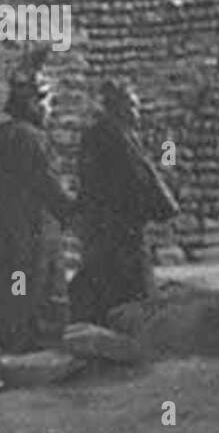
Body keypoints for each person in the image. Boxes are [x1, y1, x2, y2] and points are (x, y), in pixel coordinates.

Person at [0, 63, 77, 354]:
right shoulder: (32, 138)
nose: (50, 110)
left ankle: (6, 342)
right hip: (32, 236)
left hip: (1, 238)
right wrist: (79, 212)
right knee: (34, 298)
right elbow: (51, 189)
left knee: (8, 293)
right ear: (33, 104)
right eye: (47, 102)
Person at [69, 81, 180, 325]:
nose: (137, 113)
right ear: (120, 107)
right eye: (133, 106)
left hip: (98, 231)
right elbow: (142, 178)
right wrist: (165, 199)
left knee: (100, 288)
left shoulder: (94, 135)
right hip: (123, 233)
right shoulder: (121, 137)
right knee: (133, 299)